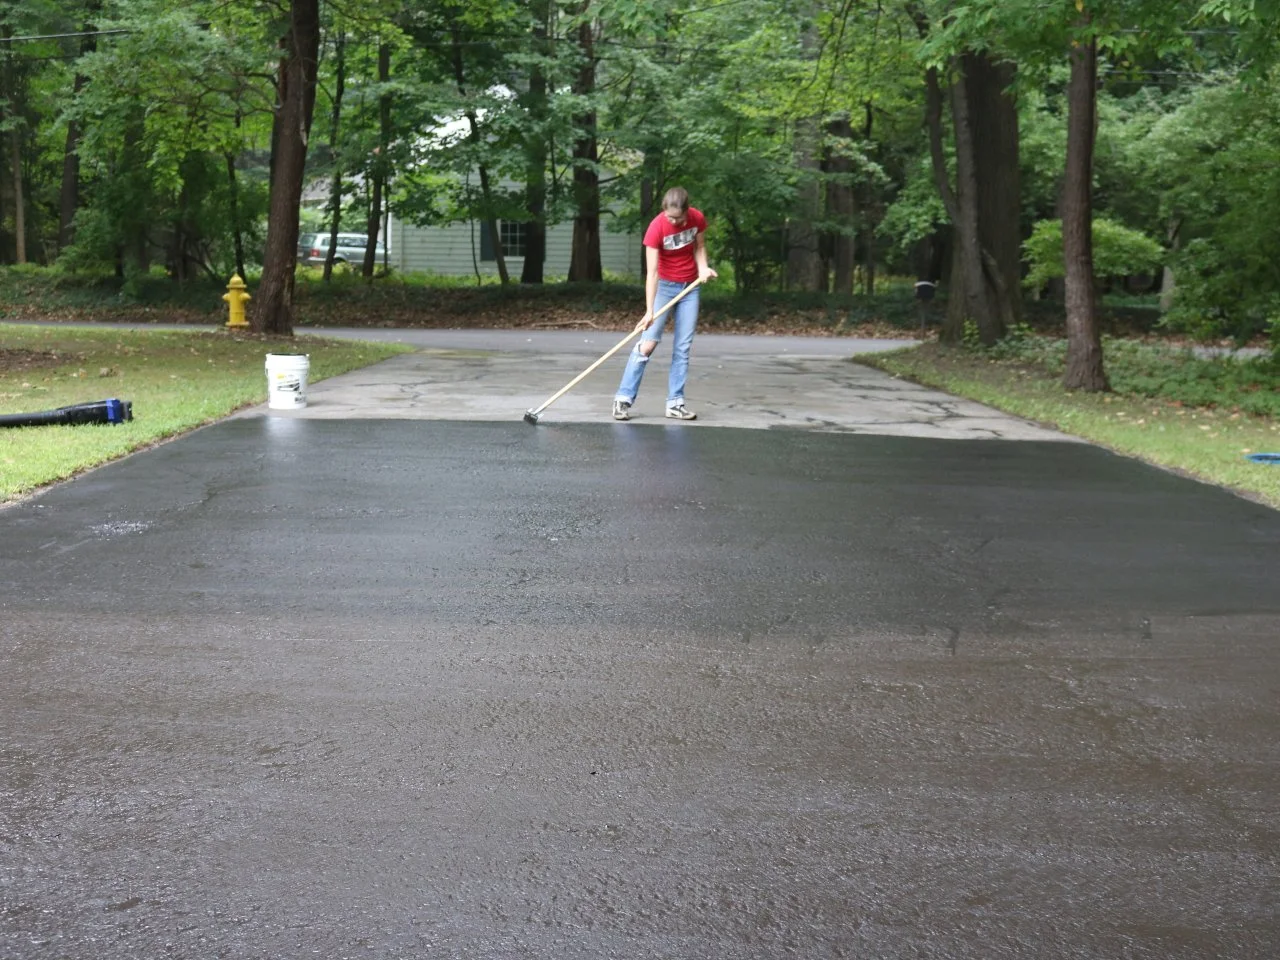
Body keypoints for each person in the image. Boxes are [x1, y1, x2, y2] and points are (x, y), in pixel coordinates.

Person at [613, 187, 717, 421]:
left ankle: (675, 404)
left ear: (687, 211)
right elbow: (652, 273)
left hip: (690, 287)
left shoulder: (697, 218)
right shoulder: (656, 228)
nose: (674, 221)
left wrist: (702, 268)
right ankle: (623, 400)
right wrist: (649, 310)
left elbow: (699, 247)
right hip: (665, 287)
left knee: (682, 347)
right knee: (647, 344)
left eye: (678, 218)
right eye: (670, 217)